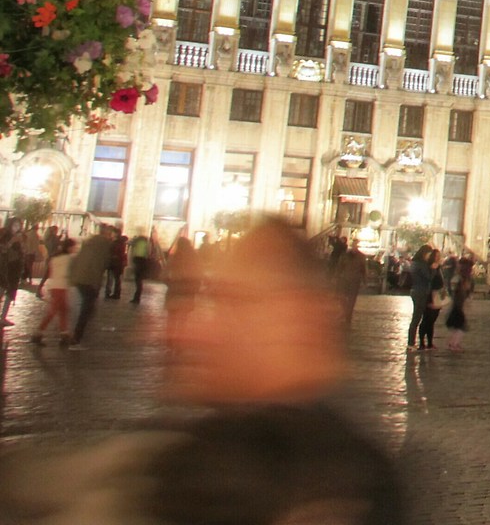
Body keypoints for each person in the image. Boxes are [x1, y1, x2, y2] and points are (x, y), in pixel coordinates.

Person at [0, 219, 409, 525]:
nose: (191, 329)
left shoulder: (309, 481)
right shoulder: (196, 442)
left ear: (298, 317)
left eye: (233, 302)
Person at [67, 228, 110, 346]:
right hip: (90, 280)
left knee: (84, 306)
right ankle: (76, 336)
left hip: (79, 278)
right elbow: (99, 265)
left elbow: (78, 260)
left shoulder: (88, 243)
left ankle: (75, 332)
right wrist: (97, 283)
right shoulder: (104, 245)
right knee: (86, 309)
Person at [405, 244, 443, 352]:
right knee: (416, 318)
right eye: (428, 254)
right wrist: (433, 269)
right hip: (421, 291)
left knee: (417, 317)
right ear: (424, 253)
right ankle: (411, 343)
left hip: (416, 290)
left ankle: (412, 343)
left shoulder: (415, 263)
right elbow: (428, 277)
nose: (429, 256)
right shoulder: (421, 264)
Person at [443, 252, 475, 350]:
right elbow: (462, 291)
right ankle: (454, 344)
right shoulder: (462, 278)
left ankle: (453, 343)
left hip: (457, 304)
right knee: (461, 326)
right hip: (458, 305)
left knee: (459, 326)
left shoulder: (458, 276)